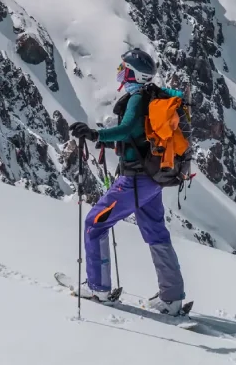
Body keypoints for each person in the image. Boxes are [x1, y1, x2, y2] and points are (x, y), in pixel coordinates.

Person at [69, 48, 187, 315]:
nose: (119, 72)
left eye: (123, 67)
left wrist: (94, 133)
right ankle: (172, 297)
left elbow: (126, 128)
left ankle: (99, 289)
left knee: (95, 223)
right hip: (153, 178)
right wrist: (106, 141)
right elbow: (137, 137)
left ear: (133, 73)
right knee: (156, 231)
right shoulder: (155, 96)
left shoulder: (136, 98)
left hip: (135, 180)